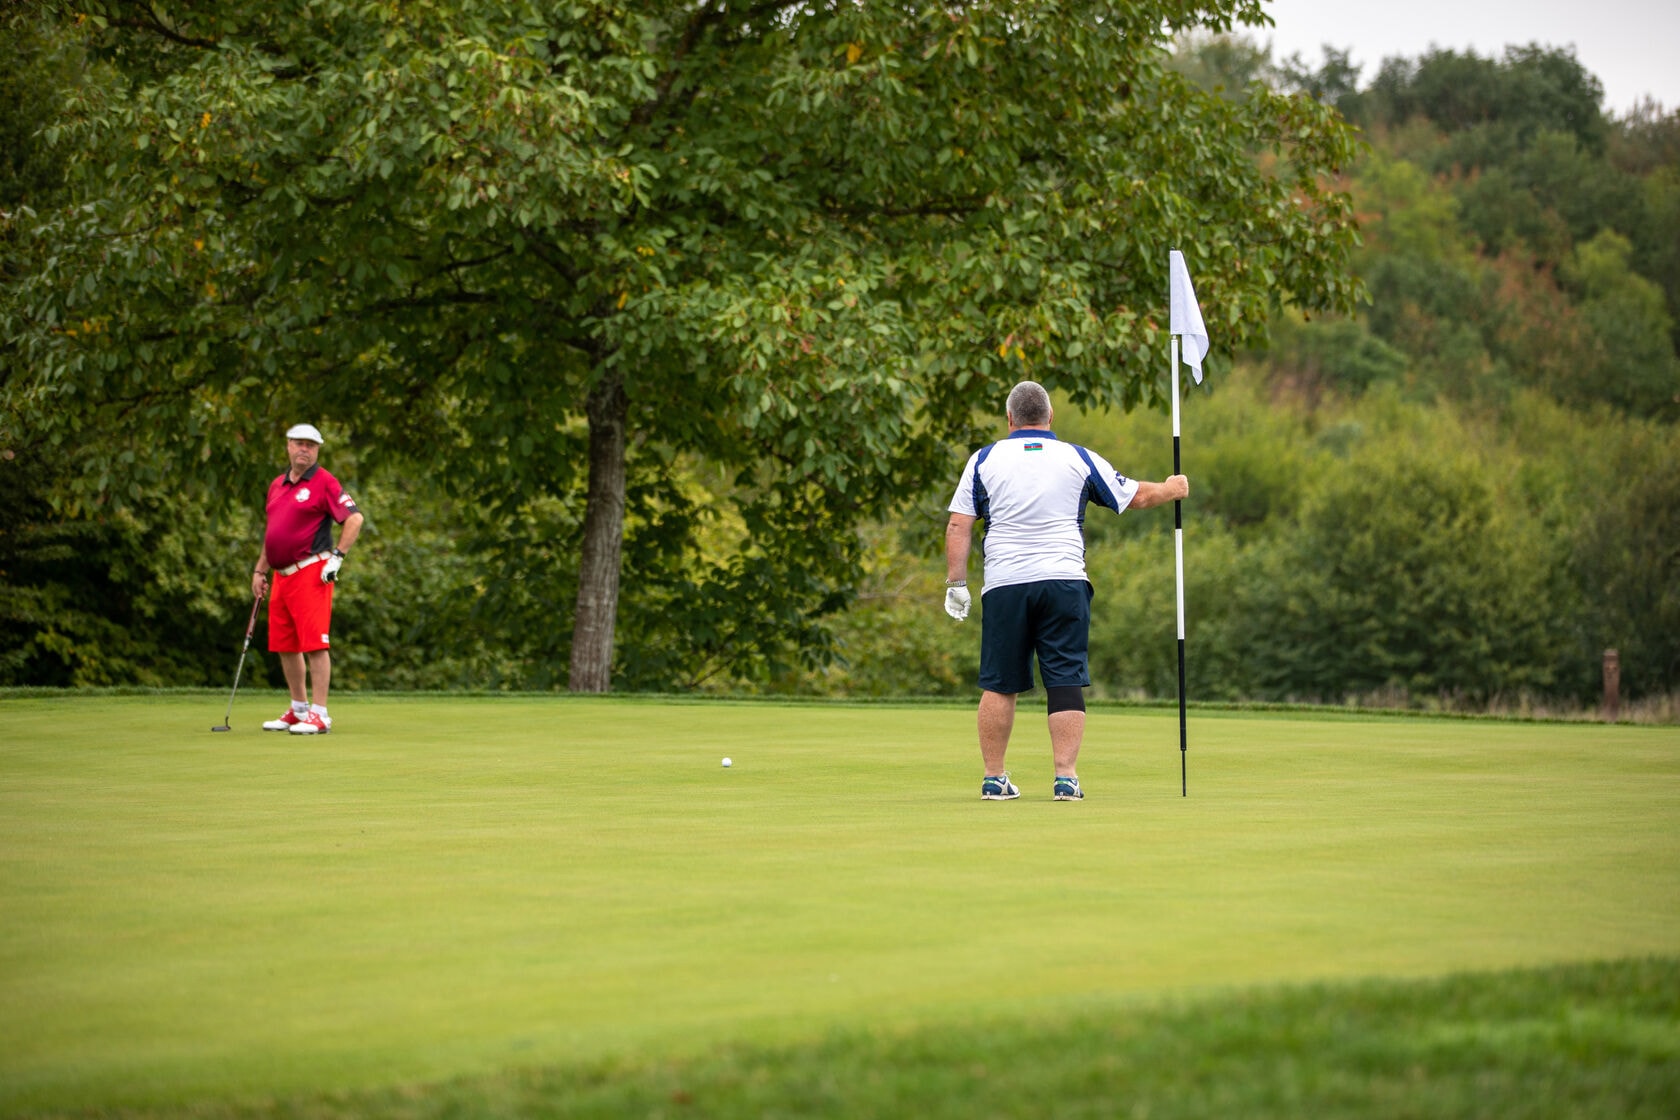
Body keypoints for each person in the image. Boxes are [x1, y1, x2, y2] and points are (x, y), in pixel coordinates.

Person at [944, 381, 1187, 801]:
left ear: (1009, 418)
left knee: (1000, 681)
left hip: (1005, 585)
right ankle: (1065, 778)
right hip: (1064, 581)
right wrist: (1171, 488)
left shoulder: (983, 460)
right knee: (1064, 678)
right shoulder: (1077, 457)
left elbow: (958, 524)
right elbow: (1135, 497)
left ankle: (993, 778)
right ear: (1050, 416)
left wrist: (956, 583)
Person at [253, 423, 364, 735]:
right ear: (288, 446)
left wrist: (337, 556)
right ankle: (298, 708)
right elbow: (273, 532)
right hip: (281, 575)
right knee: (285, 644)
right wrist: (260, 570)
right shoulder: (277, 485)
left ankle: (320, 713)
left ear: (317, 450)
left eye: (311, 445)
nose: (304, 449)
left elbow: (354, 518)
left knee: (315, 643)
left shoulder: (325, 482)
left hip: (311, 570)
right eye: (299, 443)